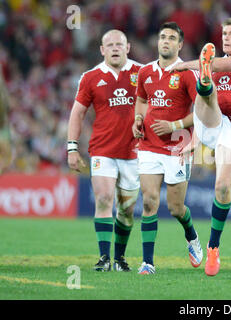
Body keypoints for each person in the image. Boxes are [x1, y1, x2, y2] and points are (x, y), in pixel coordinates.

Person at [174, 17, 231, 276]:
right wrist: (193, 140)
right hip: (211, 121)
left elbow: (221, 62)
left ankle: (213, 247)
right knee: (209, 93)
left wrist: (181, 66)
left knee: (223, 187)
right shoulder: (216, 66)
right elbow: (215, 65)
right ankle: (204, 84)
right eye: (224, 33)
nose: (225, 37)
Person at [67, 30, 142, 272]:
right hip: (102, 150)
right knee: (103, 198)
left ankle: (119, 258)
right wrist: (72, 147)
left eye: (119, 44)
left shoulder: (142, 73)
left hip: (134, 152)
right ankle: (104, 258)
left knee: (127, 210)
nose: (115, 48)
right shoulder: (90, 77)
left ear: (128, 47)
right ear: (102, 50)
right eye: (109, 45)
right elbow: (77, 113)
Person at [132, 22, 203, 275]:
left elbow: (203, 111)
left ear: (180, 44)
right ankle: (148, 263)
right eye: (162, 37)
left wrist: (174, 125)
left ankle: (191, 235)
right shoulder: (146, 72)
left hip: (178, 147)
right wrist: (138, 120)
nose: (166, 41)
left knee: (175, 208)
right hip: (149, 145)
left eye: (172, 38)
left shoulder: (186, 73)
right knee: (149, 202)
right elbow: (141, 100)